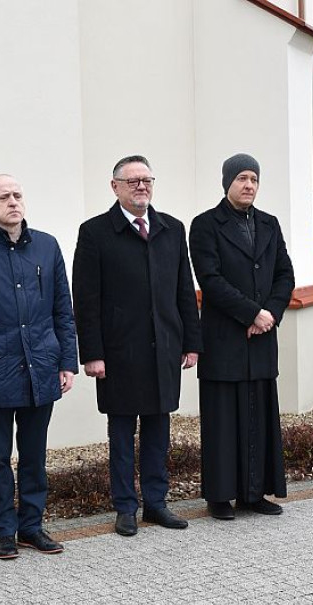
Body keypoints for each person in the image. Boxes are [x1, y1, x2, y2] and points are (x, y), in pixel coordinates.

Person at [0, 174, 78, 560]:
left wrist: (66, 361)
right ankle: (4, 530)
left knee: (35, 453)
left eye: (18, 195)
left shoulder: (47, 247)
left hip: (42, 363)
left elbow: (63, 310)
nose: (13, 202)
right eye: (3, 197)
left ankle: (32, 526)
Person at [72, 155, 203, 537]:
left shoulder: (171, 229)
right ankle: (126, 506)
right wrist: (92, 353)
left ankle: (156, 503)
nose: (141, 186)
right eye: (132, 181)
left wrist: (191, 342)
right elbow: (86, 297)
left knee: (159, 429)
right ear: (115, 187)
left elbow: (184, 290)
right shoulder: (95, 232)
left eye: (147, 180)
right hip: (118, 352)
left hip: (164, 347)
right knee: (122, 432)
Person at [188, 154, 295, 520]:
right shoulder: (204, 225)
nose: (248, 185)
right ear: (227, 182)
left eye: (254, 179)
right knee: (222, 419)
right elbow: (211, 279)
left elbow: (285, 275)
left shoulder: (269, 224)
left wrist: (270, 315)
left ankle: (254, 493)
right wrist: (252, 313)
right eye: (241, 178)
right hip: (224, 339)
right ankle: (220, 496)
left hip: (262, 338)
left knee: (259, 415)